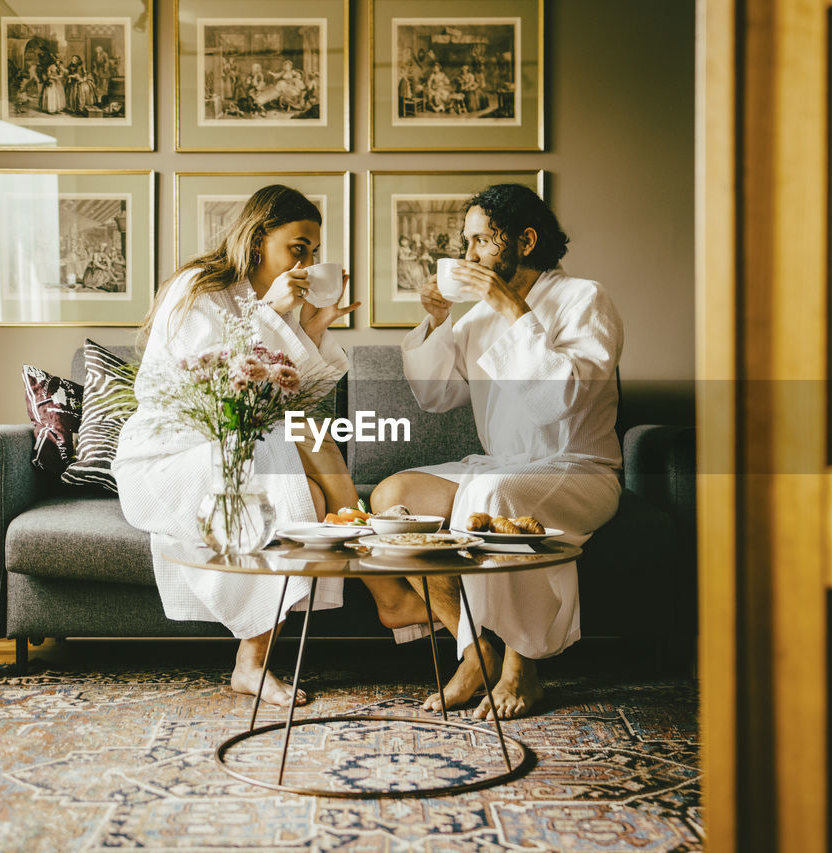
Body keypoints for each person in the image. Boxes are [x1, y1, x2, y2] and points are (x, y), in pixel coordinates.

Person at [112, 186, 425, 707]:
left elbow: (289, 395)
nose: (307, 262)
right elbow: (209, 388)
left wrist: (311, 329)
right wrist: (272, 320)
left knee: (313, 492)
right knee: (300, 432)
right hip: (173, 456)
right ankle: (387, 594)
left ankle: (251, 664)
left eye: (314, 253)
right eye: (297, 248)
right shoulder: (199, 287)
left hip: (240, 446)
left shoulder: (278, 305)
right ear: (258, 241)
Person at [372, 184, 624, 720]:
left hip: (577, 468)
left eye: (480, 241)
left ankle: (520, 668)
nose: (467, 257)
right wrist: (439, 321)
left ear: (525, 240)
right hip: (503, 468)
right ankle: (474, 652)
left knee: (494, 491)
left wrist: (513, 309)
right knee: (393, 497)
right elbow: (436, 396)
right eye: (465, 244)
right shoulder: (478, 316)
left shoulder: (585, 299)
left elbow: (560, 399)